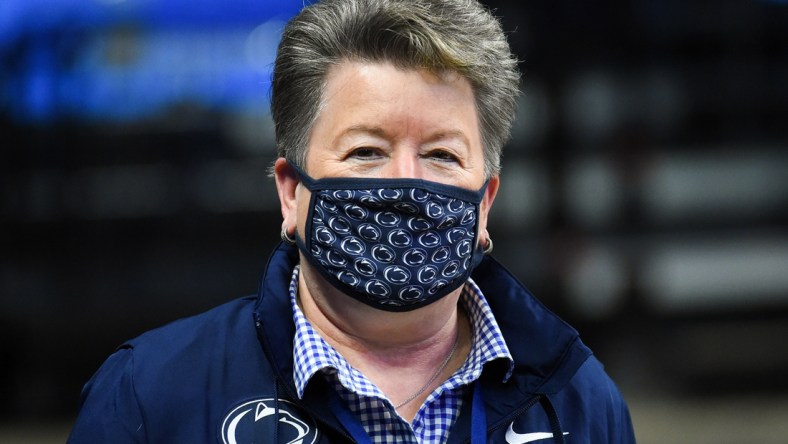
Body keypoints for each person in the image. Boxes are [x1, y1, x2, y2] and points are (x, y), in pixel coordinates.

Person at [69, 0, 636, 442]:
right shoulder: (152, 395)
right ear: (290, 193)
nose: (403, 184)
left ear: (485, 203)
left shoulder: (577, 401)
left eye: (442, 155)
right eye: (367, 151)